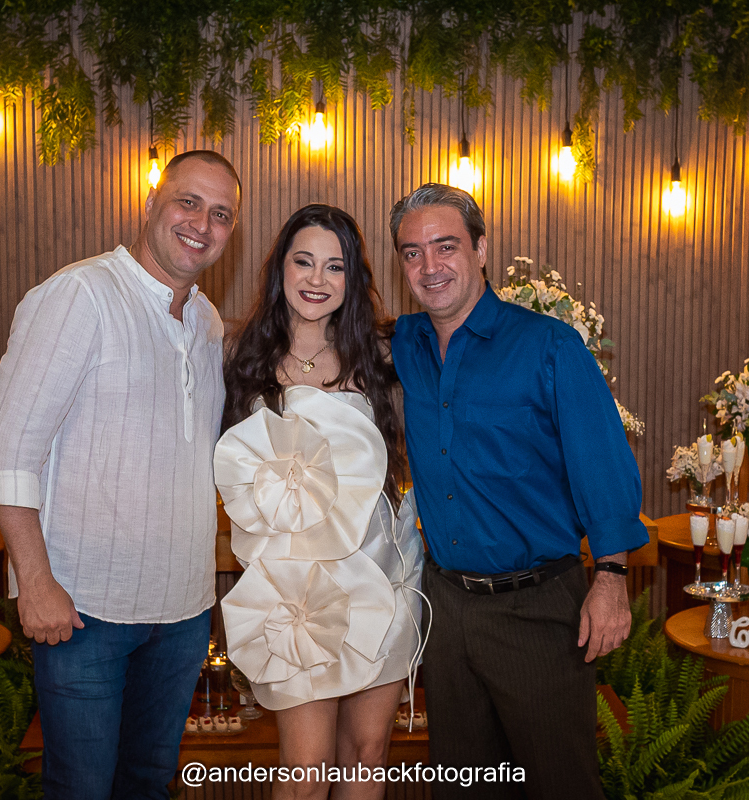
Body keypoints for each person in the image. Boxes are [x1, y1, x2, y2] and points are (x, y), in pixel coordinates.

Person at [0, 150, 241, 800]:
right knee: (82, 789)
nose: (201, 224)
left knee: (148, 785)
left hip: (183, 612)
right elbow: (5, 450)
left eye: (221, 214)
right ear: (151, 202)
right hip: (84, 609)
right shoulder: (81, 295)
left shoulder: (205, 322)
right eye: (188, 202)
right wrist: (35, 583)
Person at [389, 184, 648, 799]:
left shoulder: (548, 345)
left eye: (446, 246)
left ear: (481, 250)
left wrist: (612, 578)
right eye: (412, 253)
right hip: (445, 608)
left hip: (536, 608)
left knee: (560, 784)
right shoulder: (404, 344)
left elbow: (602, 463)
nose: (429, 266)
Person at [216, 204, 423, 800]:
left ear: (353, 277)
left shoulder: (383, 353)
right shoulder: (237, 353)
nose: (316, 279)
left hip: (381, 570)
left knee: (367, 755)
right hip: (293, 590)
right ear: (279, 267)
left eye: (335, 267)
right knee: (305, 772)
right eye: (303, 261)